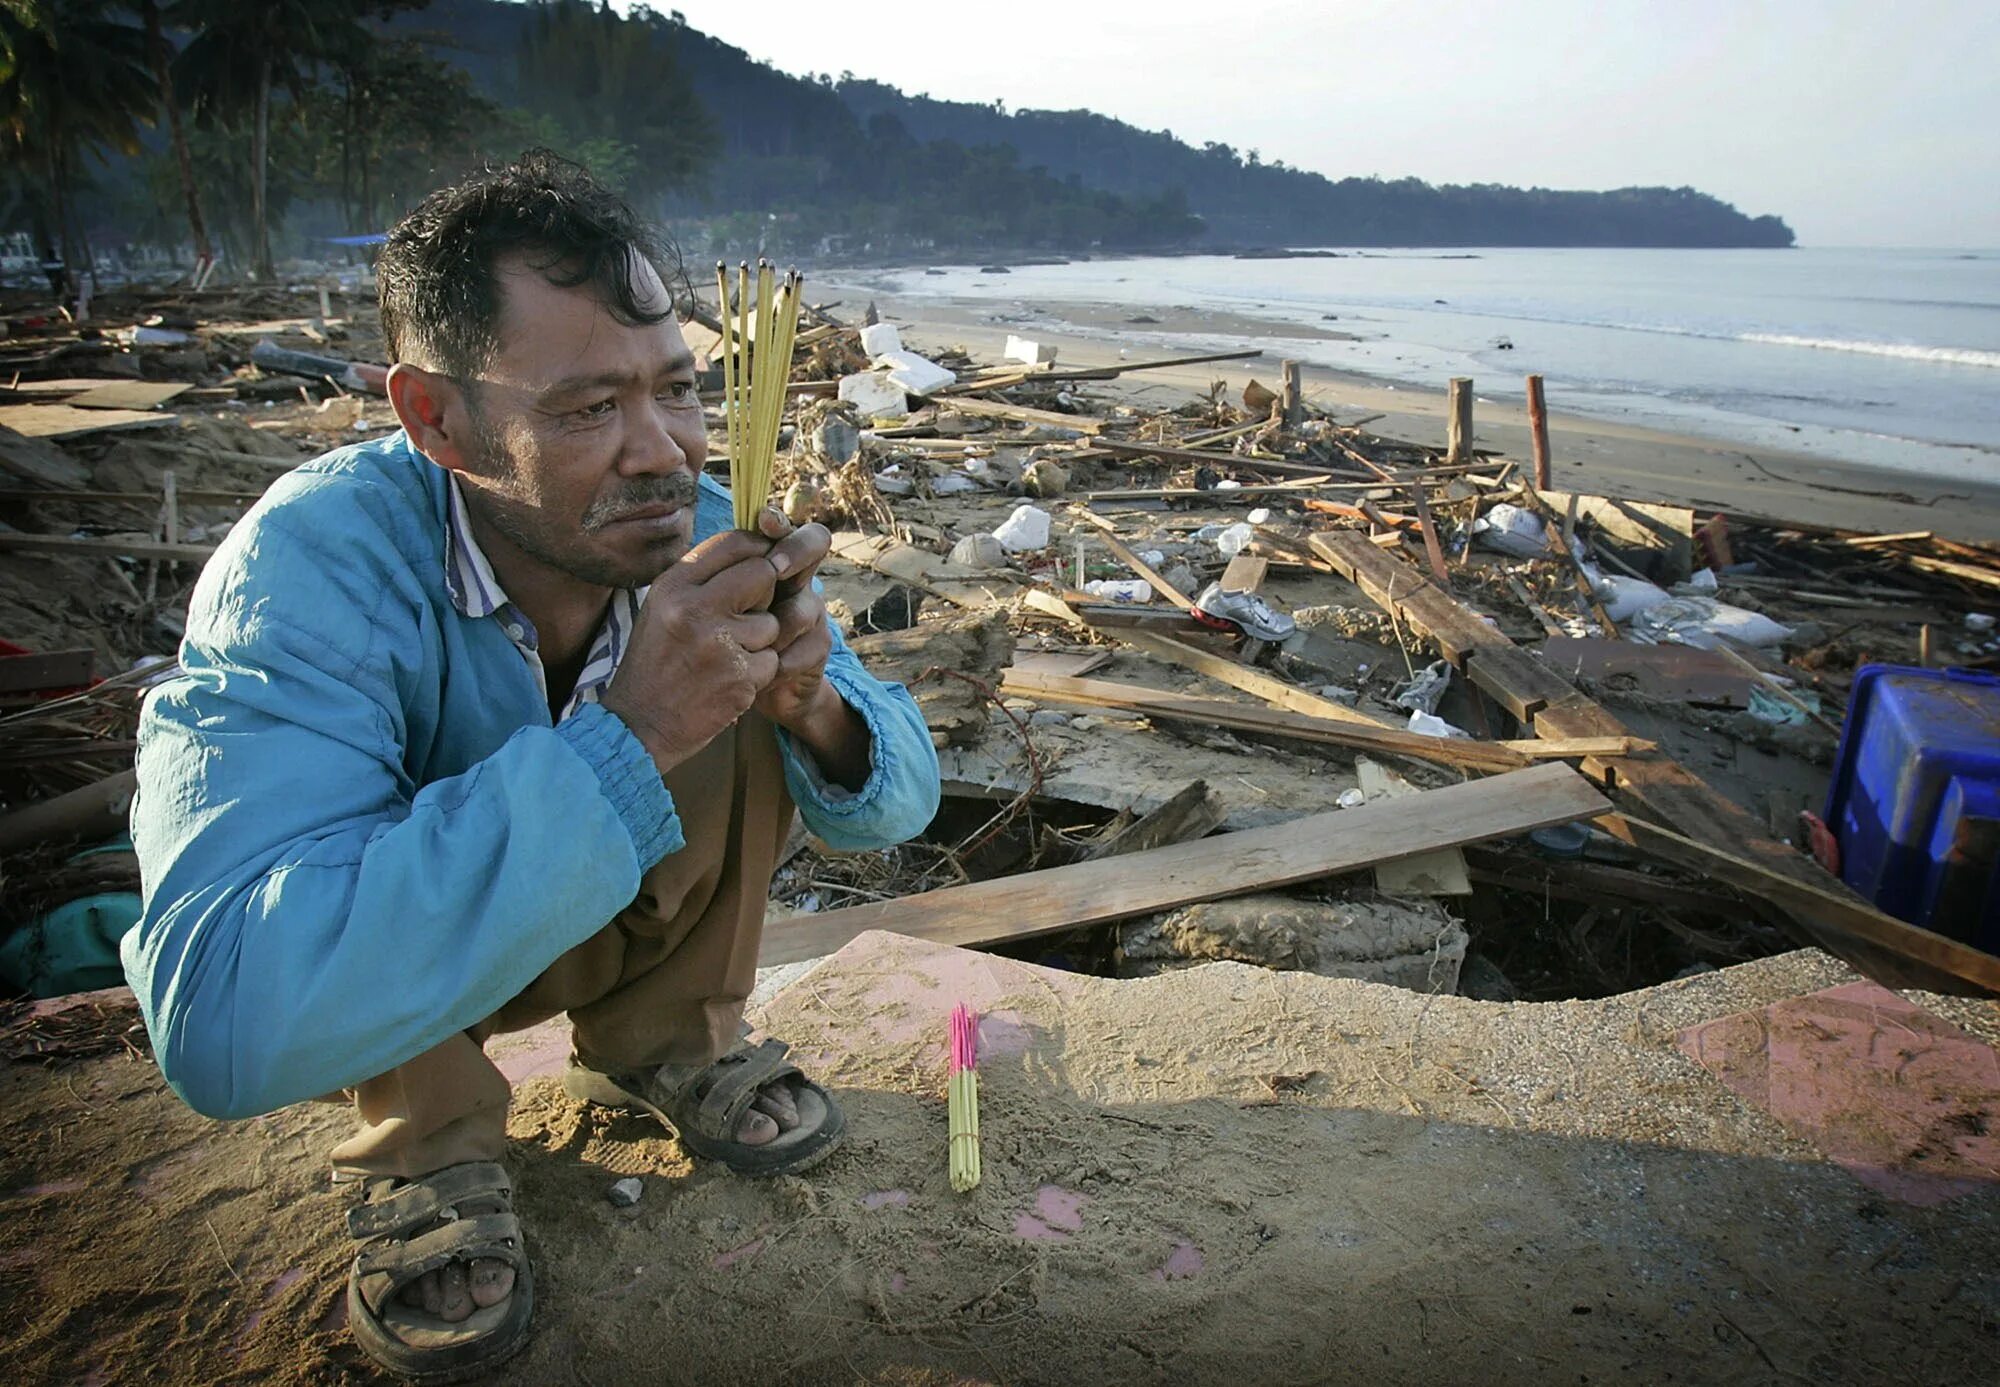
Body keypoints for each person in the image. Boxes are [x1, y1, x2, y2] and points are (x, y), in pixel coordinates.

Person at [122, 152, 941, 1382]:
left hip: (599, 914)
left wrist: (811, 702)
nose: (660, 450)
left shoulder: (697, 518)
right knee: (403, 786)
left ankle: (672, 1033)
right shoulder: (305, 572)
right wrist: (631, 734)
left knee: (738, 673)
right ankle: (426, 1140)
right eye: (586, 409)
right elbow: (226, 1021)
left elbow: (900, 802)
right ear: (434, 420)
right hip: (416, 983)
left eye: (677, 389)